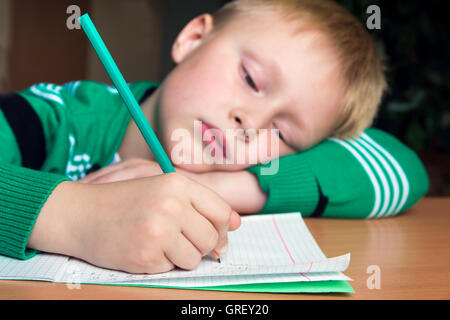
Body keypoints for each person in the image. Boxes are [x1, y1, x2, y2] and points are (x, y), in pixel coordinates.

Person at [0, 0, 428, 274]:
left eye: (281, 132)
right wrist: (76, 215)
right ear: (192, 39)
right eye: (250, 78)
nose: (252, 124)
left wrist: (209, 187)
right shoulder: (58, 118)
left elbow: (401, 168)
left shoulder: (246, 163)